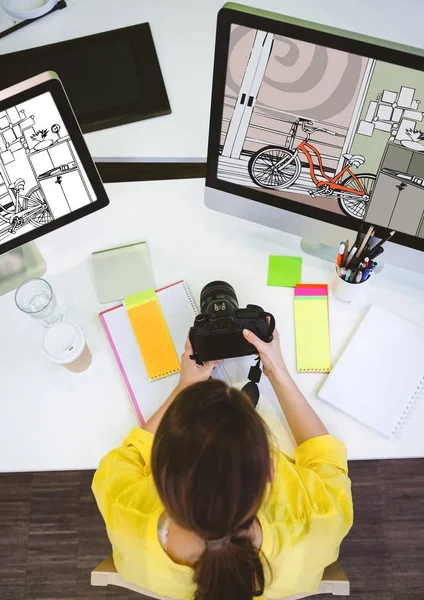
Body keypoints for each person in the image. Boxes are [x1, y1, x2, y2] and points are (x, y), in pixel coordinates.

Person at [92, 325, 353, 600]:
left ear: (157, 472)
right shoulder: (322, 516)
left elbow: (130, 454)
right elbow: (325, 457)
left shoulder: (123, 509)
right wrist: (279, 375)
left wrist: (185, 386)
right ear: (269, 471)